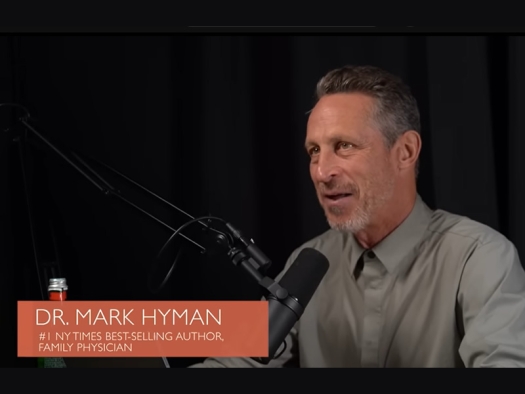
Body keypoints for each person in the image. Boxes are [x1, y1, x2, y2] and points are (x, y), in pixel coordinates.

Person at [190, 65, 525, 368]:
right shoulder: (307, 263)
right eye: (314, 151)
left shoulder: (481, 258)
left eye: (345, 146)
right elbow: (238, 359)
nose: (322, 172)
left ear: (405, 152)